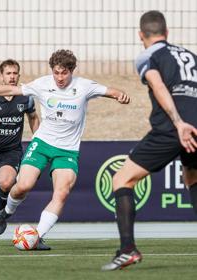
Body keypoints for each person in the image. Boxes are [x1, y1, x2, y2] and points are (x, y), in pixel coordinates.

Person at [0, 49, 130, 250]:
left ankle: (37, 236)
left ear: (72, 70)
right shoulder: (42, 84)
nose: (59, 77)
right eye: (56, 72)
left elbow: (110, 91)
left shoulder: (84, 86)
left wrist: (120, 95)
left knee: (62, 193)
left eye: (64, 73)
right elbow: (11, 91)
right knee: (23, 185)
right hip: (42, 144)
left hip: (67, 150)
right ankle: (7, 212)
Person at [101, 10, 197, 271]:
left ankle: (127, 249)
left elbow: (158, 85)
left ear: (141, 35)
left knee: (121, 179)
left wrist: (178, 123)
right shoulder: (190, 55)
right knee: (192, 177)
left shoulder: (148, 55)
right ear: (167, 32)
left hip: (173, 128)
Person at [0, 59, 39, 246]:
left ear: (19, 75)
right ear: (1, 77)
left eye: (15, 73)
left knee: (7, 181)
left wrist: (39, 137)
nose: (12, 77)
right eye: (8, 73)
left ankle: (2, 213)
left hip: (11, 151)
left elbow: (33, 117)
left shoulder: (26, 98)